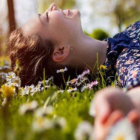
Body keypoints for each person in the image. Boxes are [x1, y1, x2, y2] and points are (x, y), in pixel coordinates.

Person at [7, 2, 140, 139]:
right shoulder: (126, 60)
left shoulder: (123, 38)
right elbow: (136, 87)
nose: (52, 5)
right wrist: (126, 105)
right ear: (60, 51)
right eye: (46, 17)